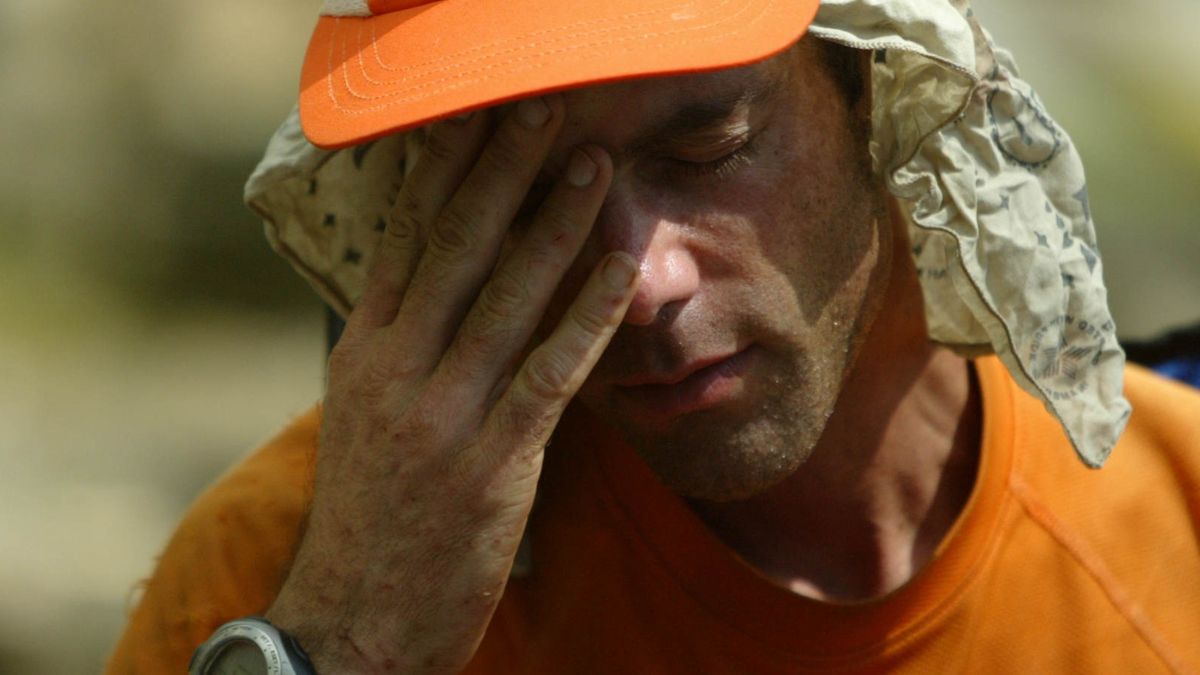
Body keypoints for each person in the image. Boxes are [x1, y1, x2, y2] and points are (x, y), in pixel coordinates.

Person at [106, 0, 1200, 672]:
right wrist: (344, 650)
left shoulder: (1177, 522)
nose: (640, 283)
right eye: (528, 192)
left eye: (712, 149)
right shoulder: (278, 578)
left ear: (875, 86)